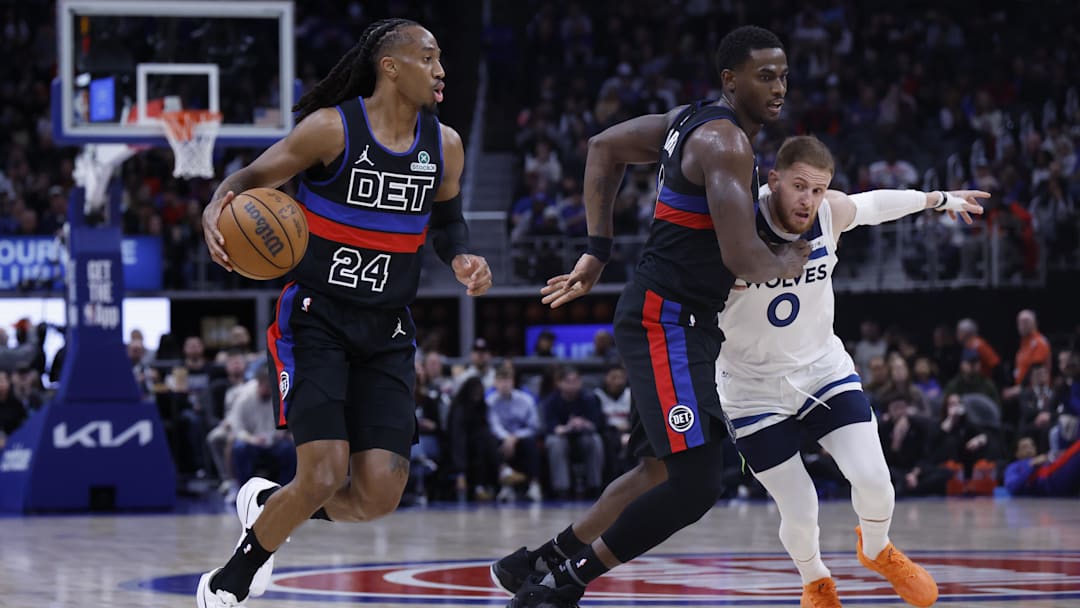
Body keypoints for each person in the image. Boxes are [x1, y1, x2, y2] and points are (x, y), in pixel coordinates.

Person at [499, 133, 987, 608]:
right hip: (751, 391)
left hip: (822, 372)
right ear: (773, 180)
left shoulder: (828, 214)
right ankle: (816, 581)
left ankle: (878, 548)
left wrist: (938, 199)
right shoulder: (733, 223)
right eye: (800, 186)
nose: (809, 200)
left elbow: (876, 204)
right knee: (801, 506)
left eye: (818, 189)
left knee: (876, 480)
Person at [494, 26, 810, 608]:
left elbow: (602, 148)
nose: (779, 87)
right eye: (765, 75)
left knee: (657, 474)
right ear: (729, 80)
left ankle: (535, 562)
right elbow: (743, 257)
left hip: (672, 316)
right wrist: (794, 255)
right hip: (668, 320)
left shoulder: (683, 121)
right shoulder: (726, 143)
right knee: (695, 487)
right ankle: (561, 587)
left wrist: (597, 248)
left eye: (784, 75)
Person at [196, 18, 492, 608]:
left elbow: (448, 221)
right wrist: (214, 207)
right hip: (317, 319)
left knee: (379, 495)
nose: (440, 71)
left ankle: (270, 505)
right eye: (429, 58)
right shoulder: (332, 130)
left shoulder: (446, 145)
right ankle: (231, 578)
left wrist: (461, 256)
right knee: (325, 474)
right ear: (391, 66)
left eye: (441, 60)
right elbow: (251, 178)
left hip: (387, 329)